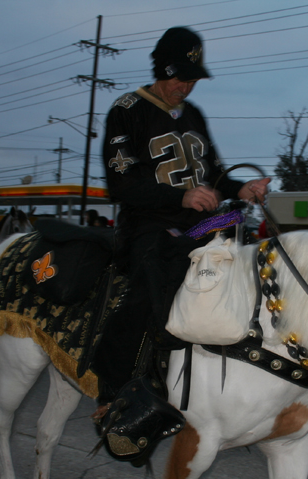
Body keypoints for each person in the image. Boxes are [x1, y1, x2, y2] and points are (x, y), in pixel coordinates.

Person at [100, 28, 269, 409]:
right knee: (154, 276)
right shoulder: (127, 110)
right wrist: (182, 195)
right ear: (162, 70)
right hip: (149, 224)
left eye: (192, 80)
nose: (186, 87)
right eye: (180, 78)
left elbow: (216, 172)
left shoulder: (193, 114)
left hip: (198, 225)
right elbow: (120, 185)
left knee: (246, 257)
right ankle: (114, 390)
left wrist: (241, 189)